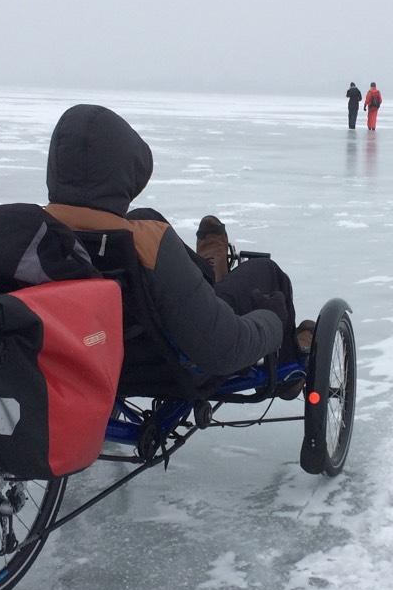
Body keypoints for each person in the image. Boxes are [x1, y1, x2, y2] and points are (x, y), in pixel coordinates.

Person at [42, 104, 311, 386]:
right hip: (170, 363)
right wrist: (273, 321)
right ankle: (289, 366)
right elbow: (223, 348)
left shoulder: (33, 233)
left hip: (80, 357)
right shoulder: (147, 243)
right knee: (265, 271)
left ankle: (205, 275)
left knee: (144, 216)